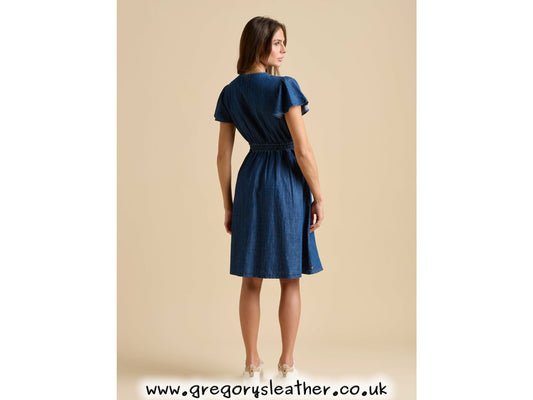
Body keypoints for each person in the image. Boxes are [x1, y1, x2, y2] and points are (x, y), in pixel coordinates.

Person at [214, 16, 324, 383]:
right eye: (277, 43)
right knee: (290, 278)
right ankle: (287, 365)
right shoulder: (284, 88)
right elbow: (303, 150)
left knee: (251, 278)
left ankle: (251, 364)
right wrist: (319, 196)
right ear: (259, 45)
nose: (283, 50)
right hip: (286, 182)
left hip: (251, 181)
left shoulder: (230, 92)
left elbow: (223, 156)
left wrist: (228, 204)